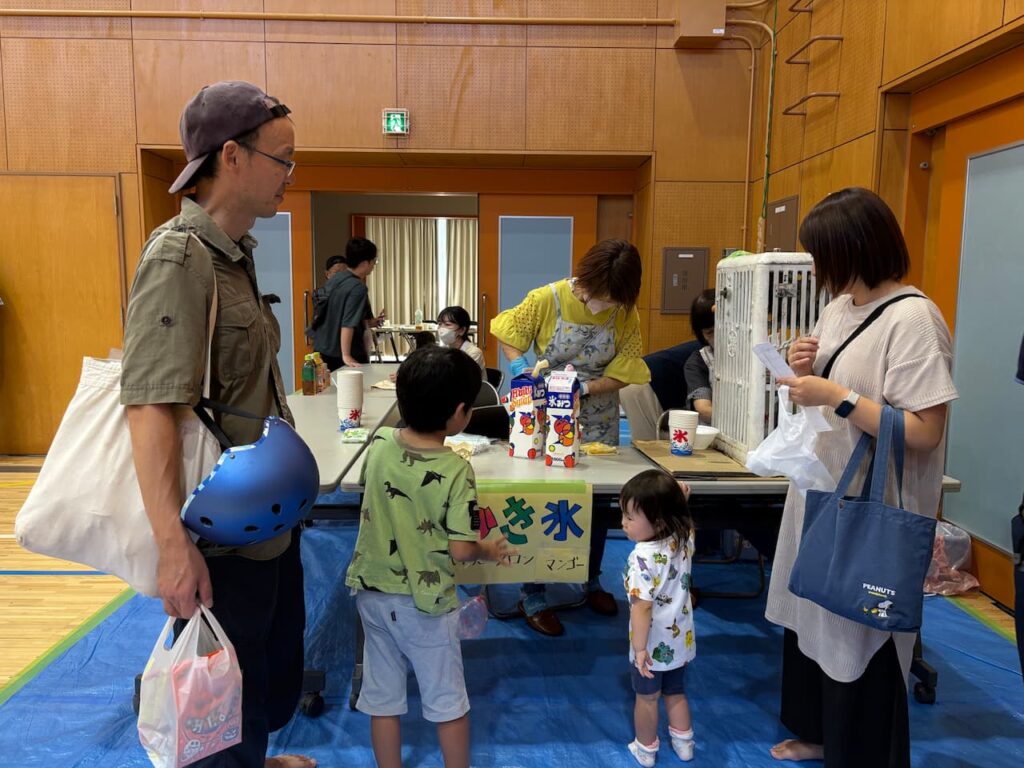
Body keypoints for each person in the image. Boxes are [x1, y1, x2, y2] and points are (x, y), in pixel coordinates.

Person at [121, 81, 314, 768]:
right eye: (283, 157)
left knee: (259, 676)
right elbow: (149, 405)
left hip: (262, 529)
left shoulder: (236, 251)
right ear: (232, 156)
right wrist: (173, 548)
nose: (292, 173)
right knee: (214, 705)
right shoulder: (179, 257)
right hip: (217, 542)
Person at [766, 187, 958, 766]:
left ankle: (860, 750)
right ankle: (822, 733)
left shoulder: (915, 319)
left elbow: (925, 429)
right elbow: (830, 381)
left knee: (861, 624)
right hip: (824, 489)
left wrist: (836, 395)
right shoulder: (841, 305)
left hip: (874, 502)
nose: (820, 270)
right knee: (816, 614)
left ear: (855, 249)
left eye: (824, 255)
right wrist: (805, 366)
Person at [345, 345, 514, 768]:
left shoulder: (380, 442)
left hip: (371, 592)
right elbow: (460, 549)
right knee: (446, 697)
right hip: (427, 602)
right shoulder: (457, 471)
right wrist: (488, 550)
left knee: (382, 697)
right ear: (460, 413)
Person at [491, 238, 651, 636]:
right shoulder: (549, 298)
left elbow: (627, 371)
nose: (601, 305)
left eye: (611, 300)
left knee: (595, 503)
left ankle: (591, 578)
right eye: (596, 295)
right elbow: (507, 330)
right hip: (544, 419)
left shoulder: (625, 313)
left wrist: (586, 388)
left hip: (595, 421)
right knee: (545, 501)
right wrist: (521, 363)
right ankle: (533, 589)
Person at [621, 470, 697, 766]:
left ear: (659, 521)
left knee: (647, 698)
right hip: (681, 640)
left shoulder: (641, 557)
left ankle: (646, 748)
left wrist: (640, 649)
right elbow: (687, 524)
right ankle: (684, 743)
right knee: (676, 693)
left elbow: (641, 607)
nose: (623, 523)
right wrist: (680, 503)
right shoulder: (682, 540)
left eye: (630, 517)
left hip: (651, 647)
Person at [312, 237, 379, 369]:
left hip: (322, 349)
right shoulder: (357, 287)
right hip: (344, 354)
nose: (373, 266)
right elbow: (347, 322)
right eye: (374, 261)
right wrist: (346, 355)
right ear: (365, 263)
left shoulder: (335, 279)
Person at [683, 289, 716, 424]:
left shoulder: (757, 354)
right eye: (710, 332)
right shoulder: (698, 362)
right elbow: (704, 410)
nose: (717, 337)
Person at [437, 305, 486, 370]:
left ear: (462, 330)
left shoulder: (473, 353)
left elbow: (462, 378)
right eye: (440, 324)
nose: (442, 328)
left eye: (447, 324)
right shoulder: (443, 351)